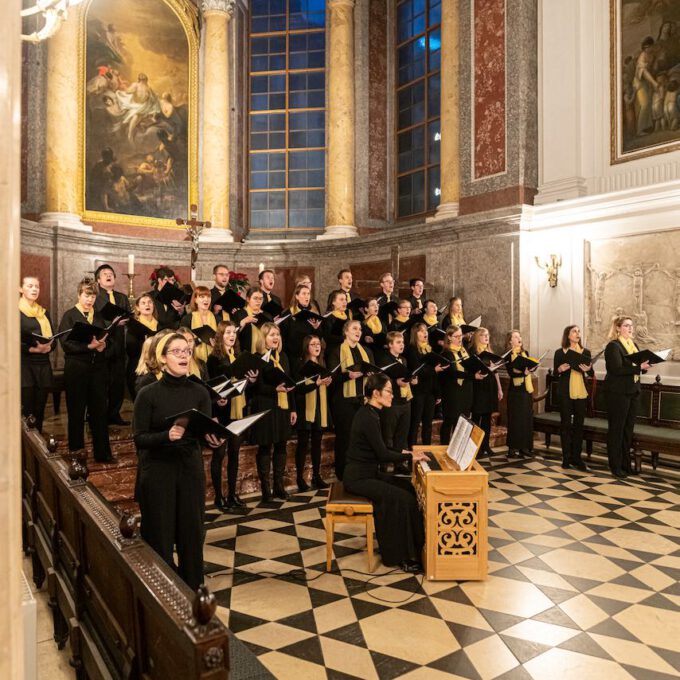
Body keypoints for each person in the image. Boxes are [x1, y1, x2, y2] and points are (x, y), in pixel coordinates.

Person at [133, 332, 225, 590]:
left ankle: (193, 593)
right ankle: (162, 596)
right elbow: (139, 439)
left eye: (187, 351)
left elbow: (202, 432)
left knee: (191, 536)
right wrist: (166, 435)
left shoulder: (199, 392)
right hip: (158, 471)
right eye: (177, 352)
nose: (184, 356)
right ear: (162, 359)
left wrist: (213, 441)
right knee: (159, 538)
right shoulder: (148, 394)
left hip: (189, 469)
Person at [343, 373, 429, 573]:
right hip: (358, 478)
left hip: (368, 473)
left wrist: (407, 452)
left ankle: (418, 548)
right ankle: (400, 556)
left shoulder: (372, 413)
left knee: (407, 488)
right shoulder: (367, 417)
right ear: (375, 393)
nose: (393, 395)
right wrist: (410, 458)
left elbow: (382, 447)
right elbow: (382, 454)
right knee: (402, 499)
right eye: (389, 391)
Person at [58, 278, 112, 462]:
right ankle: (76, 452)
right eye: (86, 295)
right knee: (76, 411)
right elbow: (66, 344)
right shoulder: (70, 316)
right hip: (77, 369)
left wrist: (104, 346)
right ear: (79, 295)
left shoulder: (98, 317)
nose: (90, 300)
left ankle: (102, 454)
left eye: (93, 296)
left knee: (99, 411)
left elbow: (107, 340)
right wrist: (89, 347)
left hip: (98, 369)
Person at [207, 320, 258, 510]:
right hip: (222, 412)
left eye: (234, 332)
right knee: (219, 454)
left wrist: (251, 380)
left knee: (234, 453)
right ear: (220, 336)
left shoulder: (239, 356)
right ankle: (219, 497)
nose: (231, 335)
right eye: (227, 332)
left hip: (238, 409)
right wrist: (216, 400)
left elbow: (245, 386)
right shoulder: (214, 359)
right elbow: (210, 387)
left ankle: (232, 494)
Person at [249, 322, 296, 500]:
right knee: (265, 446)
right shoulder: (257, 358)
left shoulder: (282, 357)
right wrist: (274, 390)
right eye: (271, 335)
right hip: (265, 406)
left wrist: (293, 409)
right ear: (264, 338)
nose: (275, 338)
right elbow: (255, 387)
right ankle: (265, 489)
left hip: (282, 408)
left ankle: (278, 485)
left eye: (277, 334)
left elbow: (289, 383)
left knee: (281, 446)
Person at [327, 320, 374, 480]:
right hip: (343, 401)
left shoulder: (366, 351)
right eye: (354, 328)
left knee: (362, 437)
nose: (358, 331)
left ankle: (359, 470)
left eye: (360, 329)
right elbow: (332, 376)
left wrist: (370, 374)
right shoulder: (336, 351)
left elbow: (372, 371)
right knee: (345, 438)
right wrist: (348, 375)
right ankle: (342, 472)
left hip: (362, 400)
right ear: (346, 331)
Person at [604, 315, 650, 479]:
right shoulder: (613, 347)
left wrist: (644, 367)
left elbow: (637, 368)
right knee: (616, 430)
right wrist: (639, 367)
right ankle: (615, 465)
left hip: (633, 391)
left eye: (631, 325)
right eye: (626, 326)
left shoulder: (634, 345)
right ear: (618, 328)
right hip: (618, 393)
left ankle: (625, 464)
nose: (630, 328)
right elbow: (616, 369)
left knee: (627, 430)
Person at [294, 335, 332, 491]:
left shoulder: (322, 363)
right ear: (306, 347)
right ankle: (299, 478)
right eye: (313, 344)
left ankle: (317, 476)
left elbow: (324, 384)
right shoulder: (300, 363)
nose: (317, 346)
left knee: (317, 442)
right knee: (303, 443)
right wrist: (316, 384)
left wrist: (327, 382)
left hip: (320, 407)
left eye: (318, 344)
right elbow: (298, 388)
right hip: (305, 407)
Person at [94, 263, 131, 425]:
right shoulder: (95, 296)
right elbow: (94, 318)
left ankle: (114, 413)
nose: (109, 276)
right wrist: (114, 322)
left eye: (111, 274)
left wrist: (126, 320)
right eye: (104, 274)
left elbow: (128, 315)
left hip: (119, 344)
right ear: (98, 280)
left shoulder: (122, 297)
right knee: (101, 381)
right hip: (102, 343)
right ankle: (97, 414)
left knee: (117, 382)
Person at [553, 325, 593, 470]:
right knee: (565, 425)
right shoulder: (560, 353)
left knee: (579, 426)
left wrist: (588, 371)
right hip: (565, 392)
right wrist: (559, 369)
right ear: (568, 335)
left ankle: (577, 458)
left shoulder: (585, 352)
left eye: (579, 331)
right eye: (574, 331)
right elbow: (555, 373)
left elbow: (591, 373)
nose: (578, 333)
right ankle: (566, 458)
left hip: (581, 392)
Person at [19, 276, 55, 432]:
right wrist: (33, 349)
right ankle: (25, 451)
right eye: (30, 286)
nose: (34, 289)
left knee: (40, 410)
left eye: (37, 286)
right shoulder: (15, 311)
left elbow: (52, 338)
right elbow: (8, 340)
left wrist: (49, 347)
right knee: (28, 412)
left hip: (43, 366)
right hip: (25, 366)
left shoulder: (44, 313)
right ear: (20, 289)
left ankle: (39, 449)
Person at [439, 325, 483, 444]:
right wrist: (472, 376)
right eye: (456, 336)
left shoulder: (465, 351)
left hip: (466, 390)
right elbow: (453, 373)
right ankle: (444, 448)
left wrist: (481, 369)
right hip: (452, 392)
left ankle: (458, 451)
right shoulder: (446, 354)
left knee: (463, 423)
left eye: (460, 336)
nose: (459, 339)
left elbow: (470, 367)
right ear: (449, 337)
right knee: (450, 421)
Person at [406, 323, 444, 447]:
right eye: (421, 331)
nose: (425, 333)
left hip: (430, 392)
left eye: (426, 331)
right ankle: (412, 451)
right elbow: (418, 369)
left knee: (428, 423)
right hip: (418, 391)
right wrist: (433, 369)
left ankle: (427, 450)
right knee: (415, 423)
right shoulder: (411, 349)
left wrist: (438, 393)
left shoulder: (429, 349)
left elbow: (434, 375)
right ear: (415, 334)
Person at [380, 331, 416, 453]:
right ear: (390, 344)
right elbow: (382, 380)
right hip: (392, 401)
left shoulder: (403, 359)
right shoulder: (384, 359)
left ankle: (399, 463)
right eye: (398, 342)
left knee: (402, 433)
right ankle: (386, 464)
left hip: (405, 401)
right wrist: (396, 382)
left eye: (403, 342)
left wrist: (411, 380)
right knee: (388, 434)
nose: (402, 345)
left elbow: (404, 376)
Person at [470, 327, 503, 456]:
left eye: (488, 335)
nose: (486, 337)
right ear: (477, 337)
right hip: (479, 386)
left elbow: (496, 372)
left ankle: (486, 446)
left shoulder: (489, 352)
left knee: (487, 418)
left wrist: (499, 389)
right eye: (484, 335)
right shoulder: (473, 352)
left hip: (490, 386)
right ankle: (475, 448)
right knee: (477, 418)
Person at [505, 330, 535, 457]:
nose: (519, 338)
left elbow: (526, 368)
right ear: (510, 341)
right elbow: (512, 372)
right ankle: (512, 448)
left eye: (519, 336)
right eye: (516, 337)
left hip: (526, 390)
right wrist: (523, 372)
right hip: (515, 391)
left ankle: (525, 447)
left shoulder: (525, 353)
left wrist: (531, 368)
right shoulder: (508, 356)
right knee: (515, 419)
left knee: (526, 418)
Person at [281, 283, 323, 368]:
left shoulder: (313, 313)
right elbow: (283, 336)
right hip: (293, 356)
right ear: (297, 296)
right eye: (304, 294)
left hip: (309, 355)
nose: (307, 296)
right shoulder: (288, 313)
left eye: (308, 294)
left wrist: (316, 329)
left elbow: (319, 337)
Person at [125, 293, 159, 399]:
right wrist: (145, 344)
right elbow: (130, 350)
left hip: (158, 367)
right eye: (143, 303)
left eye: (149, 302)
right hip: (137, 368)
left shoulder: (160, 325)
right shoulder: (132, 326)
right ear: (138, 308)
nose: (147, 305)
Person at [180, 286, 223, 363]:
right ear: (195, 299)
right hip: (193, 360)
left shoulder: (217, 318)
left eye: (208, 297)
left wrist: (217, 344)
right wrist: (200, 339)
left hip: (214, 360)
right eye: (202, 297)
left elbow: (222, 340)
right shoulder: (187, 319)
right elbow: (182, 342)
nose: (206, 299)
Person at [233, 287, 270, 353]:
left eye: (261, 299)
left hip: (263, 353)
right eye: (255, 298)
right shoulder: (239, 314)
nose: (258, 301)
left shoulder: (267, 315)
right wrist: (243, 322)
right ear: (248, 299)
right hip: (244, 353)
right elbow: (233, 335)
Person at [323, 289, 350, 357]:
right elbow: (328, 338)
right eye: (341, 299)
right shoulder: (328, 317)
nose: (345, 302)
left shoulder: (347, 317)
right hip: (334, 353)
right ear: (333, 302)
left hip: (347, 351)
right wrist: (346, 337)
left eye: (345, 299)